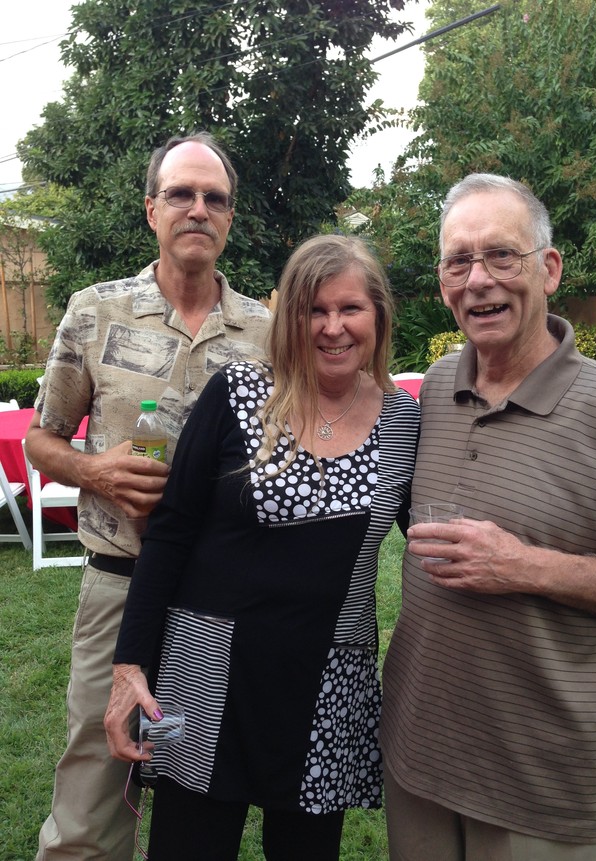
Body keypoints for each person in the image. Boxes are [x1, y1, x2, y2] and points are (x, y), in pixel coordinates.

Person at [103, 233, 420, 861]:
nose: (332, 328)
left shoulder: (406, 422)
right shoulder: (240, 392)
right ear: (289, 318)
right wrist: (130, 667)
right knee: (188, 848)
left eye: (350, 308)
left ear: (378, 317)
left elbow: (433, 540)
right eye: (312, 310)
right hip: (205, 668)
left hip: (330, 680)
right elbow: (170, 533)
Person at [380, 173, 596, 861]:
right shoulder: (435, 389)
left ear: (549, 269)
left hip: (544, 782)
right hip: (421, 759)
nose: (478, 279)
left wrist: (522, 565)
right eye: (458, 261)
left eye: (502, 255)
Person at [27, 131, 272, 861]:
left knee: (199, 800)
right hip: (120, 588)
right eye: (181, 194)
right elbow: (43, 439)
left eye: (215, 198)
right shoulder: (96, 310)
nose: (198, 208)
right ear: (151, 210)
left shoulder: (266, 330)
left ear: (229, 219)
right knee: (94, 799)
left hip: (222, 603)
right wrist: (97, 470)